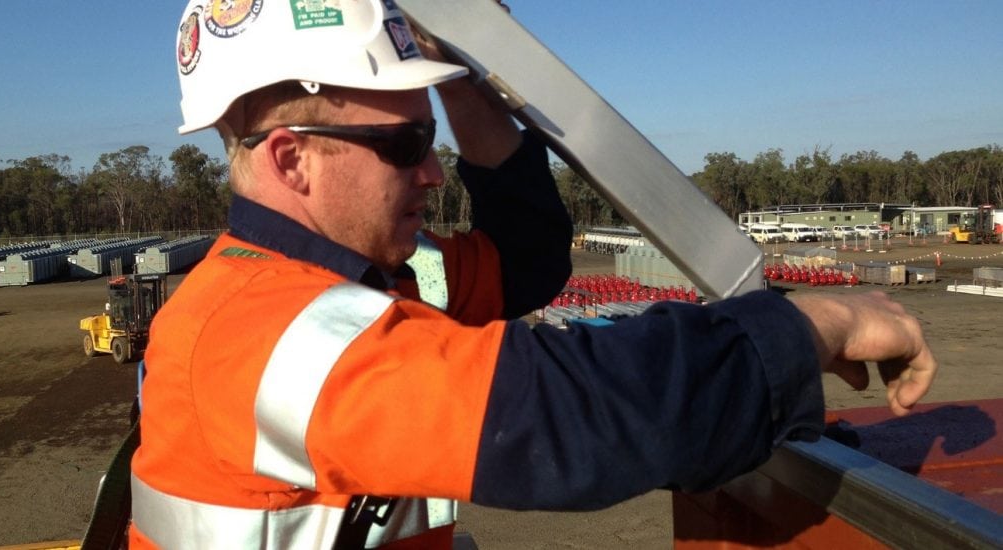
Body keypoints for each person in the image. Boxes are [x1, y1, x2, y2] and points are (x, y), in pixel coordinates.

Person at [130, 1, 937, 548]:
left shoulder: (376, 282)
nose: (433, 174)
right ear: (291, 160)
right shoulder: (258, 331)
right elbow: (570, 416)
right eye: (406, 146)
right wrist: (813, 325)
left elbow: (526, 260)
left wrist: (457, 72)